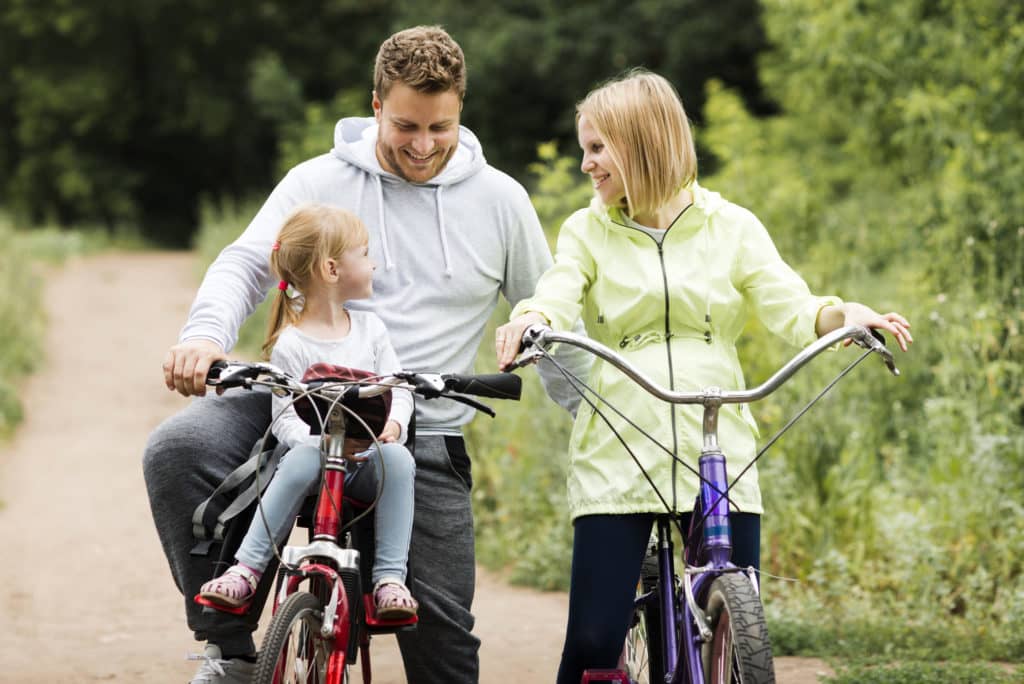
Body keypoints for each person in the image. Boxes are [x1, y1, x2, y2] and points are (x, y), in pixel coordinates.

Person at [143, 25, 588, 684]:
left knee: (441, 636)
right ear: (376, 104)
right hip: (298, 402)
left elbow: (544, 321)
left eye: (440, 128)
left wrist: (599, 420)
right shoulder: (318, 181)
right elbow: (246, 263)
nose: (423, 145)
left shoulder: (501, 203)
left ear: (461, 112)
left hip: (418, 429)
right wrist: (204, 336)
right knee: (178, 451)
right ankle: (231, 648)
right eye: (407, 124)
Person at [494, 69, 913, 684]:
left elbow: (792, 306)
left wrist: (844, 314)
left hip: (718, 444)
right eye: (584, 149)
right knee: (593, 638)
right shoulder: (586, 229)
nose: (587, 164)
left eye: (597, 148)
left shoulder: (732, 226)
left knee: (737, 622)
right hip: (621, 445)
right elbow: (558, 290)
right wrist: (531, 318)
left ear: (641, 142)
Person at [196, 204, 419, 620]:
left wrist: (393, 425)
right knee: (299, 454)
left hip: (368, 458)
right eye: (365, 254)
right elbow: (284, 417)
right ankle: (245, 570)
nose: (374, 264)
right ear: (332, 269)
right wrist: (319, 443)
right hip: (317, 460)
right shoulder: (293, 343)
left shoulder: (372, 330)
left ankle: (389, 580)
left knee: (400, 461)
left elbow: (398, 386)